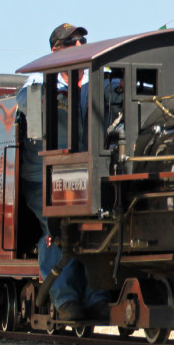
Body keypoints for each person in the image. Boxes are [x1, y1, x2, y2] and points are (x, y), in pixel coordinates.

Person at [18, 24, 109, 322]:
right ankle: (65, 297)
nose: (80, 43)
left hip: (88, 171)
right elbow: (27, 114)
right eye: (72, 42)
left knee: (101, 228)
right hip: (43, 175)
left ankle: (98, 295)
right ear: (55, 50)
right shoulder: (37, 85)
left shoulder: (96, 82)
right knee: (58, 229)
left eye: (83, 40)